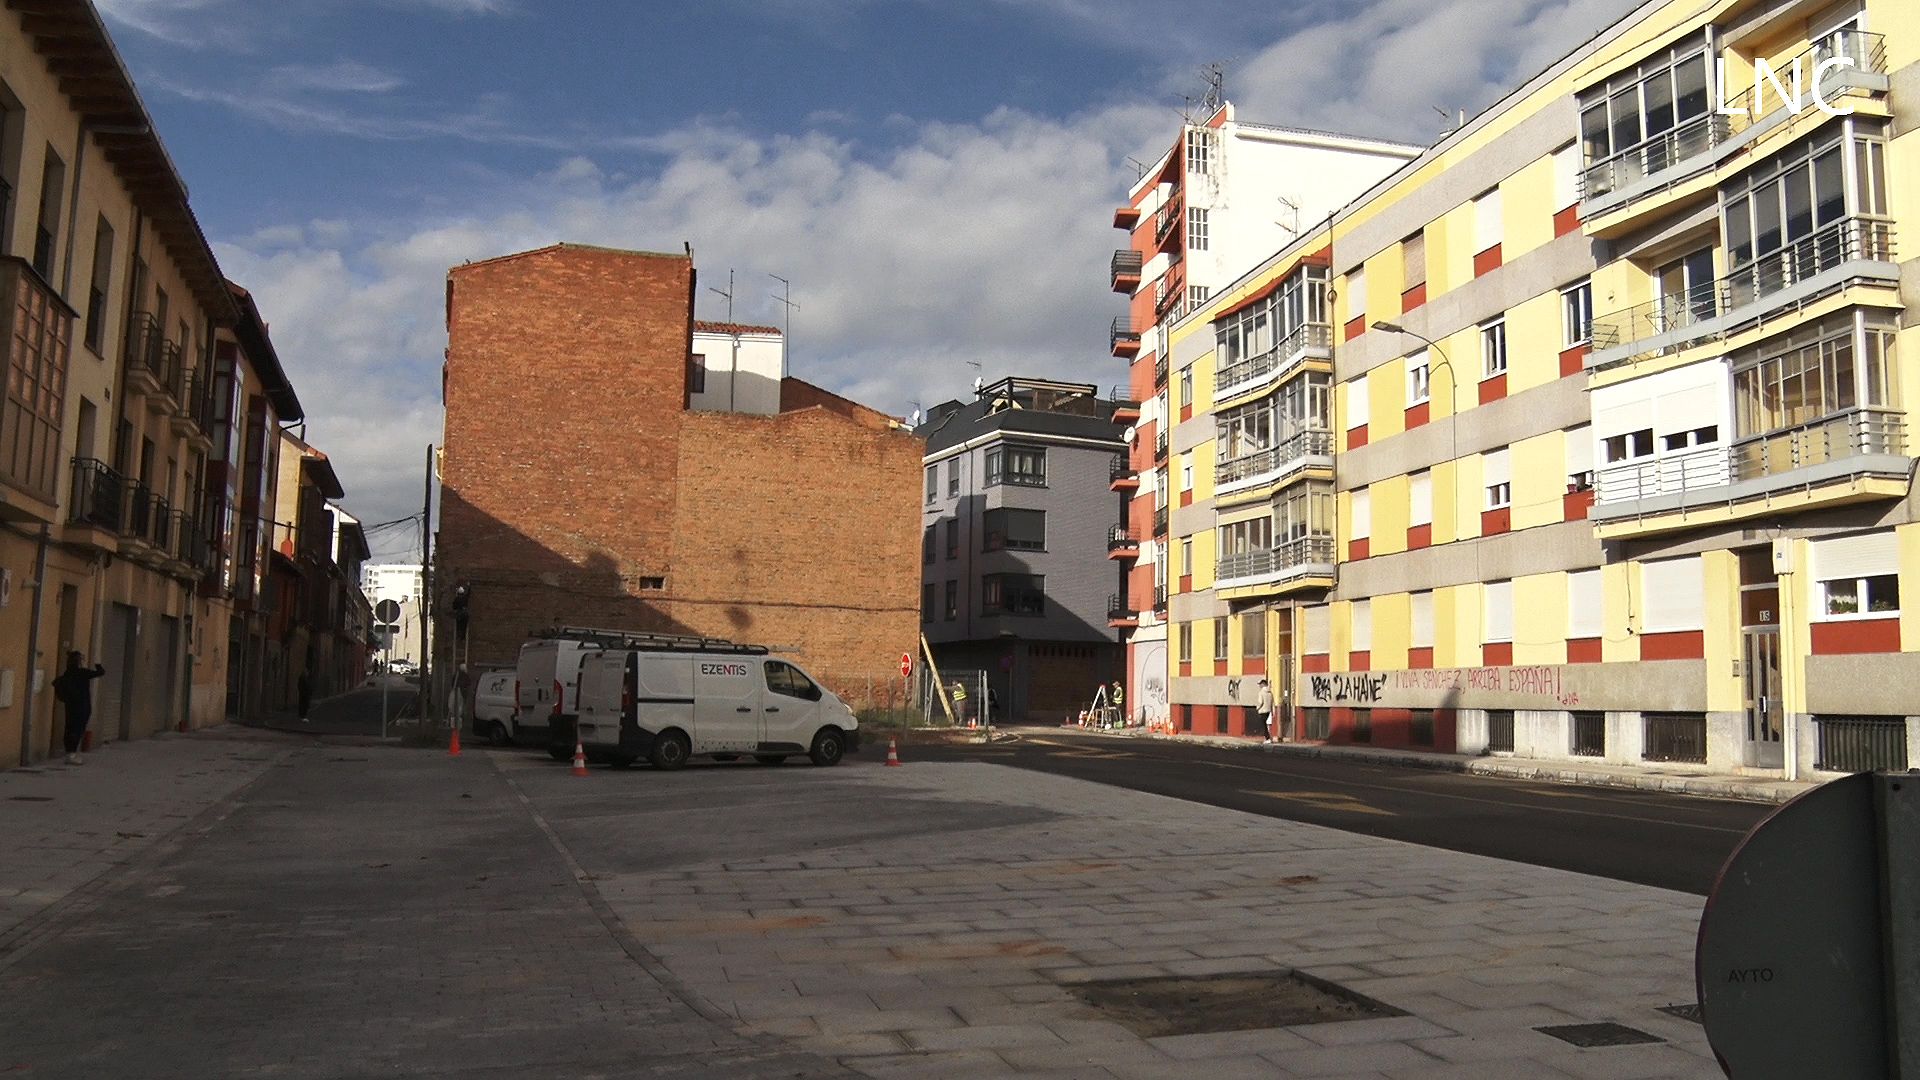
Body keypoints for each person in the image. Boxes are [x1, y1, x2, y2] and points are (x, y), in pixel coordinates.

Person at [52, 652, 106, 765]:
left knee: (69, 728)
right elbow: (101, 672)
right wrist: (97, 663)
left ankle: (69, 753)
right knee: (78, 729)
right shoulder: (82, 673)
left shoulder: (67, 673)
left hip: (70, 706)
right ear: (79, 661)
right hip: (82, 706)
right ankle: (72, 754)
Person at [1256, 679, 1276, 743]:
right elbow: (1273, 703)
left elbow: (1260, 702)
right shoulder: (1270, 693)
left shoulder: (1261, 692)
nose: (1259, 686)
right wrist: (1273, 711)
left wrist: (1257, 708)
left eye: (1260, 684)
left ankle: (1267, 738)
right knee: (1267, 725)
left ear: (1263, 684)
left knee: (1263, 726)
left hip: (1262, 711)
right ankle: (1269, 738)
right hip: (1268, 711)